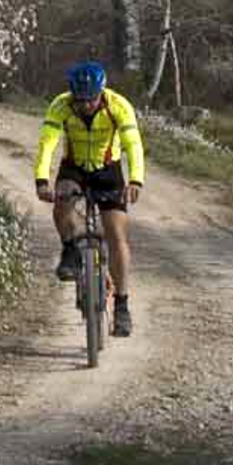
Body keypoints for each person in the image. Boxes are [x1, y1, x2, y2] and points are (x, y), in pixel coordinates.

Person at [33, 59, 144, 337]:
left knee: (116, 233)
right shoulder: (60, 105)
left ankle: (121, 305)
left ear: (101, 92)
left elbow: (133, 145)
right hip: (75, 167)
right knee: (62, 203)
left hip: (108, 169)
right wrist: (42, 180)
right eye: (80, 100)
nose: (85, 106)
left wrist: (135, 180)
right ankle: (69, 248)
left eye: (91, 100)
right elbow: (48, 143)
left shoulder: (118, 105)